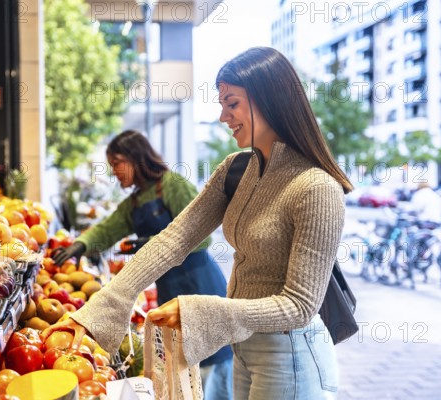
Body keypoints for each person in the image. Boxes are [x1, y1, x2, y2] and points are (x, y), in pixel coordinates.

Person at [43, 47, 352, 399]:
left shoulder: (316, 188)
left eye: (232, 103)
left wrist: (199, 311)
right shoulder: (236, 170)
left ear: (271, 99)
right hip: (244, 348)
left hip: (293, 356)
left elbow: (298, 307)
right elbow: (173, 239)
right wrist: (98, 309)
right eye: (222, 104)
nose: (223, 116)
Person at [50, 130, 233, 399]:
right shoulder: (134, 202)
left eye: (116, 164)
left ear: (136, 158)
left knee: (212, 365)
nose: (114, 173)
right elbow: (106, 229)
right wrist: (81, 245)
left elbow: (202, 237)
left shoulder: (172, 184)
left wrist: (148, 241)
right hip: (169, 291)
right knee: (182, 370)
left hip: (200, 283)